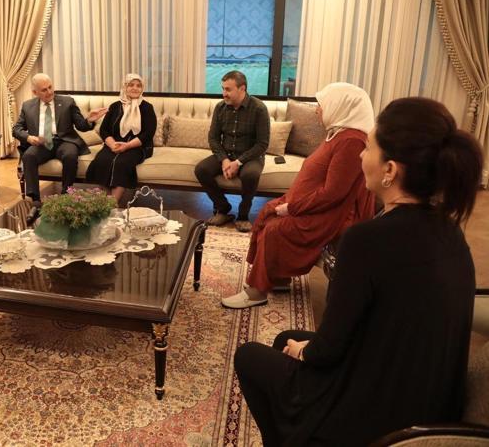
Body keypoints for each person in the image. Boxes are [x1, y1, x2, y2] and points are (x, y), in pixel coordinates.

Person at [233, 97, 483, 446]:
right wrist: (305, 348)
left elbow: (329, 349)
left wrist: (305, 352)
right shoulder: (450, 231)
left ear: (390, 170)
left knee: (248, 356)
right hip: (426, 401)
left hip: (375, 414)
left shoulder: (366, 240)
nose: (361, 156)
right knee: (283, 339)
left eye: (369, 148)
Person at [222, 82, 376, 309]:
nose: (317, 110)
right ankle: (277, 279)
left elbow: (334, 194)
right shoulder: (340, 133)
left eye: (321, 105)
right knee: (266, 214)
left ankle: (257, 292)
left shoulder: (352, 141)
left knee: (275, 229)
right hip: (312, 204)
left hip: (332, 214)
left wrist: (292, 207)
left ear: (340, 106)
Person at [12, 73, 106, 207]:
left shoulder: (68, 102)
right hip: (42, 143)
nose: (49, 92)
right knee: (28, 156)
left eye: (50, 87)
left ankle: (66, 195)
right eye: (44, 90)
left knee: (70, 155)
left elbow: (81, 125)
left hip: (65, 141)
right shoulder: (27, 106)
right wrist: (28, 137)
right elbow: (16, 129)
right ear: (35, 92)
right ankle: (35, 200)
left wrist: (89, 120)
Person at [195, 70, 270, 232]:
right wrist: (224, 160)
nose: (224, 93)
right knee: (201, 169)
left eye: (228, 89)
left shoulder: (259, 109)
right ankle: (223, 208)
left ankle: (243, 216)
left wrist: (238, 162)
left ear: (242, 89)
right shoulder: (220, 107)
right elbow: (213, 138)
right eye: (223, 89)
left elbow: (262, 144)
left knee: (251, 175)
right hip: (226, 154)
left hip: (250, 156)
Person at [85, 73, 157, 203]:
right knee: (102, 160)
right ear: (125, 87)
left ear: (142, 88)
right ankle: (105, 203)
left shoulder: (147, 107)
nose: (135, 88)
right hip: (114, 144)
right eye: (131, 85)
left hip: (138, 146)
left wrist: (127, 146)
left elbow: (148, 133)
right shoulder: (115, 106)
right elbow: (104, 130)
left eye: (139, 85)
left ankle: (112, 204)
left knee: (122, 163)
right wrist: (112, 144)